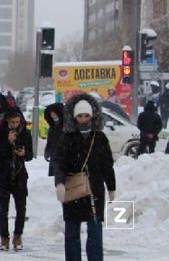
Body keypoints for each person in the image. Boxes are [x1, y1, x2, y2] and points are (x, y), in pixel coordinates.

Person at [52, 93, 116, 261]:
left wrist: (111, 187)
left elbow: (107, 165)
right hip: (73, 189)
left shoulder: (100, 138)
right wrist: (59, 183)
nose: (83, 119)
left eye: (86, 115)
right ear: (74, 117)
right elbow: (59, 162)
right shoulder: (67, 138)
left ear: (92, 116)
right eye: (80, 115)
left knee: (95, 232)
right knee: (72, 232)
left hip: (94, 189)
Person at [0, 107, 33, 251]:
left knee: (21, 208)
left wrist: (24, 153)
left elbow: (30, 155)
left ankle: (18, 235)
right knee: (3, 209)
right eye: (13, 122)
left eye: (18, 122)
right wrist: (7, 143)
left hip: (19, 174)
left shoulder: (25, 133)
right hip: (3, 174)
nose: (15, 124)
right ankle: (4, 237)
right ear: (7, 121)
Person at [44, 102, 65, 177]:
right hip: (54, 155)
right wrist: (47, 151)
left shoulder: (66, 126)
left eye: (54, 114)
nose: (53, 116)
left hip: (64, 156)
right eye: (51, 114)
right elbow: (50, 141)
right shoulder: (52, 126)